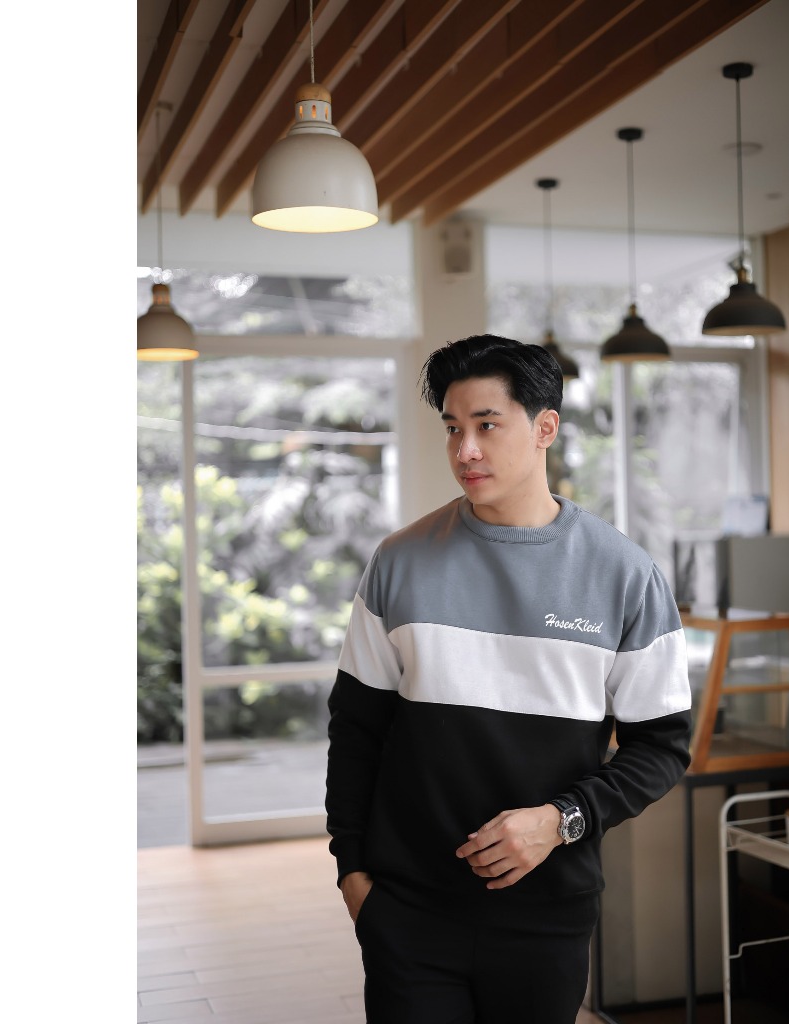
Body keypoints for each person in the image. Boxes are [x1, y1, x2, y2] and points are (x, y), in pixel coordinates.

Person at [325, 334, 692, 1024]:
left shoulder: (625, 575)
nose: (465, 449)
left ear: (545, 427)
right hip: (409, 914)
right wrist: (352, 874)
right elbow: (356, 731)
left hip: (546, 918)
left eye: (487, 425)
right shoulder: (398, 563)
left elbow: (662, 747)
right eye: (453, 428)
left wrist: (561, 820)